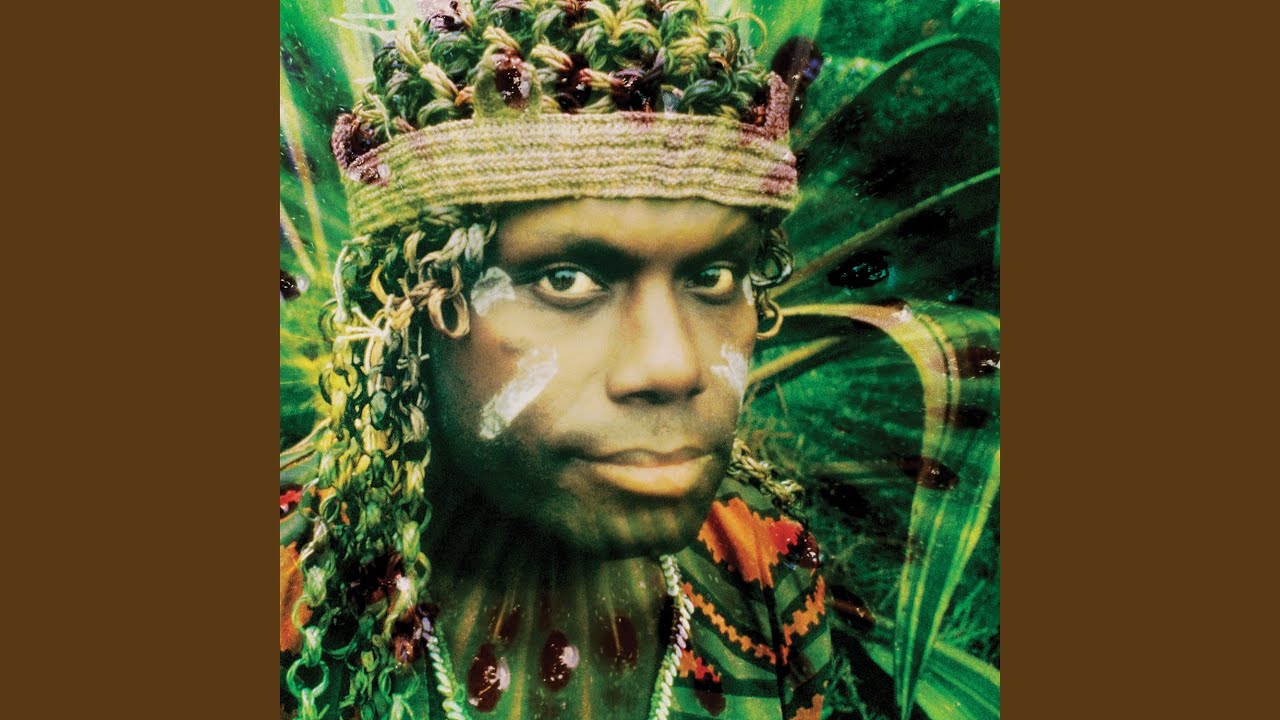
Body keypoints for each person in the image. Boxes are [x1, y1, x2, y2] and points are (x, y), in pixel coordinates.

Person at [281, 2, 832, 718]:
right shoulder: (286, 595)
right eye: (566, 280)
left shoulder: (767, 565)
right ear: (413, 303)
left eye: (714, 276)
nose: (672, 367)